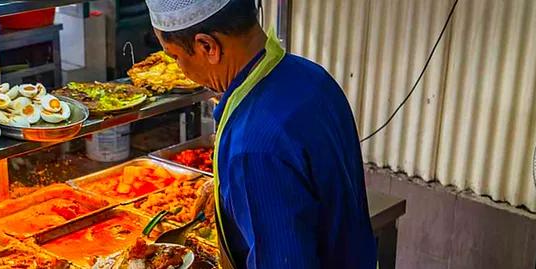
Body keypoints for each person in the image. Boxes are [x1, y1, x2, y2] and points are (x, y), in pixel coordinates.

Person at [144, 0, 377, 268]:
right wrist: (227, 193)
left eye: (175, 57)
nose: (179, 68)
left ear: (207, 46)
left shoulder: (252, 147)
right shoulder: (312, 76)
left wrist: (244, 180)